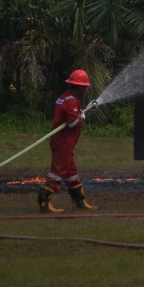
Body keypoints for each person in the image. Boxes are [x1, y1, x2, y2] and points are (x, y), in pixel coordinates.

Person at [38, 69, 98, 213]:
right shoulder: (72, 101)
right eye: (84, 88)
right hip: (63, 142)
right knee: (57, 172)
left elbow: (72, 115)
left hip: (62, 142)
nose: (85, 91)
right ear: (80, 87)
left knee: (72, 173)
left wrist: (85, 111)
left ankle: (79, 202)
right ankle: (44, 201)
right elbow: (72, 123)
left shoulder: (65, 97)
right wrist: (84, 116)